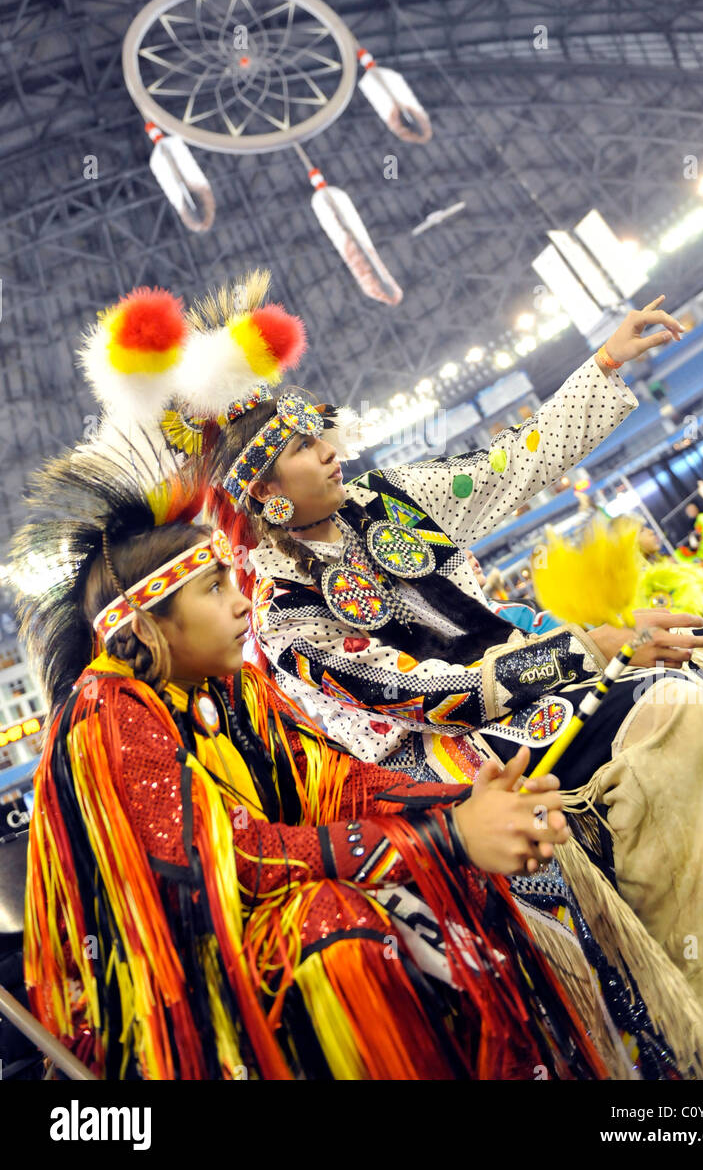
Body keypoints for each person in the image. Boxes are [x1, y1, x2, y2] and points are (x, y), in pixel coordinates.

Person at [13, 442, 630, 1082]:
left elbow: (335, 784)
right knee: (334, 922)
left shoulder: (232, 692)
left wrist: (465, 804)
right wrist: (447, 837)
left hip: (258, 927)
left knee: (455, 883)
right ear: (145, 628)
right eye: (213, 588)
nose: (240, 602)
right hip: (180, 995)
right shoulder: (105, 718)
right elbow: (236, 862)